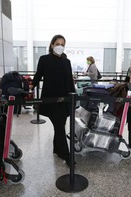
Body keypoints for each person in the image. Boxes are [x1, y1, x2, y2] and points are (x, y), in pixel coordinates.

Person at [31, 34, 76, 166]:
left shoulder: (66, 62)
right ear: (51, 45)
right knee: (60, 126)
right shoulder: (44, 59)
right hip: (51, 99)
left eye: (62, 44)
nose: (60, 46)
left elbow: (69, 80)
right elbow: (38, 75)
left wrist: (73, 97)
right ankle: (67, 156)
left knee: (60, 125)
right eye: (57, 44)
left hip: (65, 99)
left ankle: (57, 149)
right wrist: (31, 86)